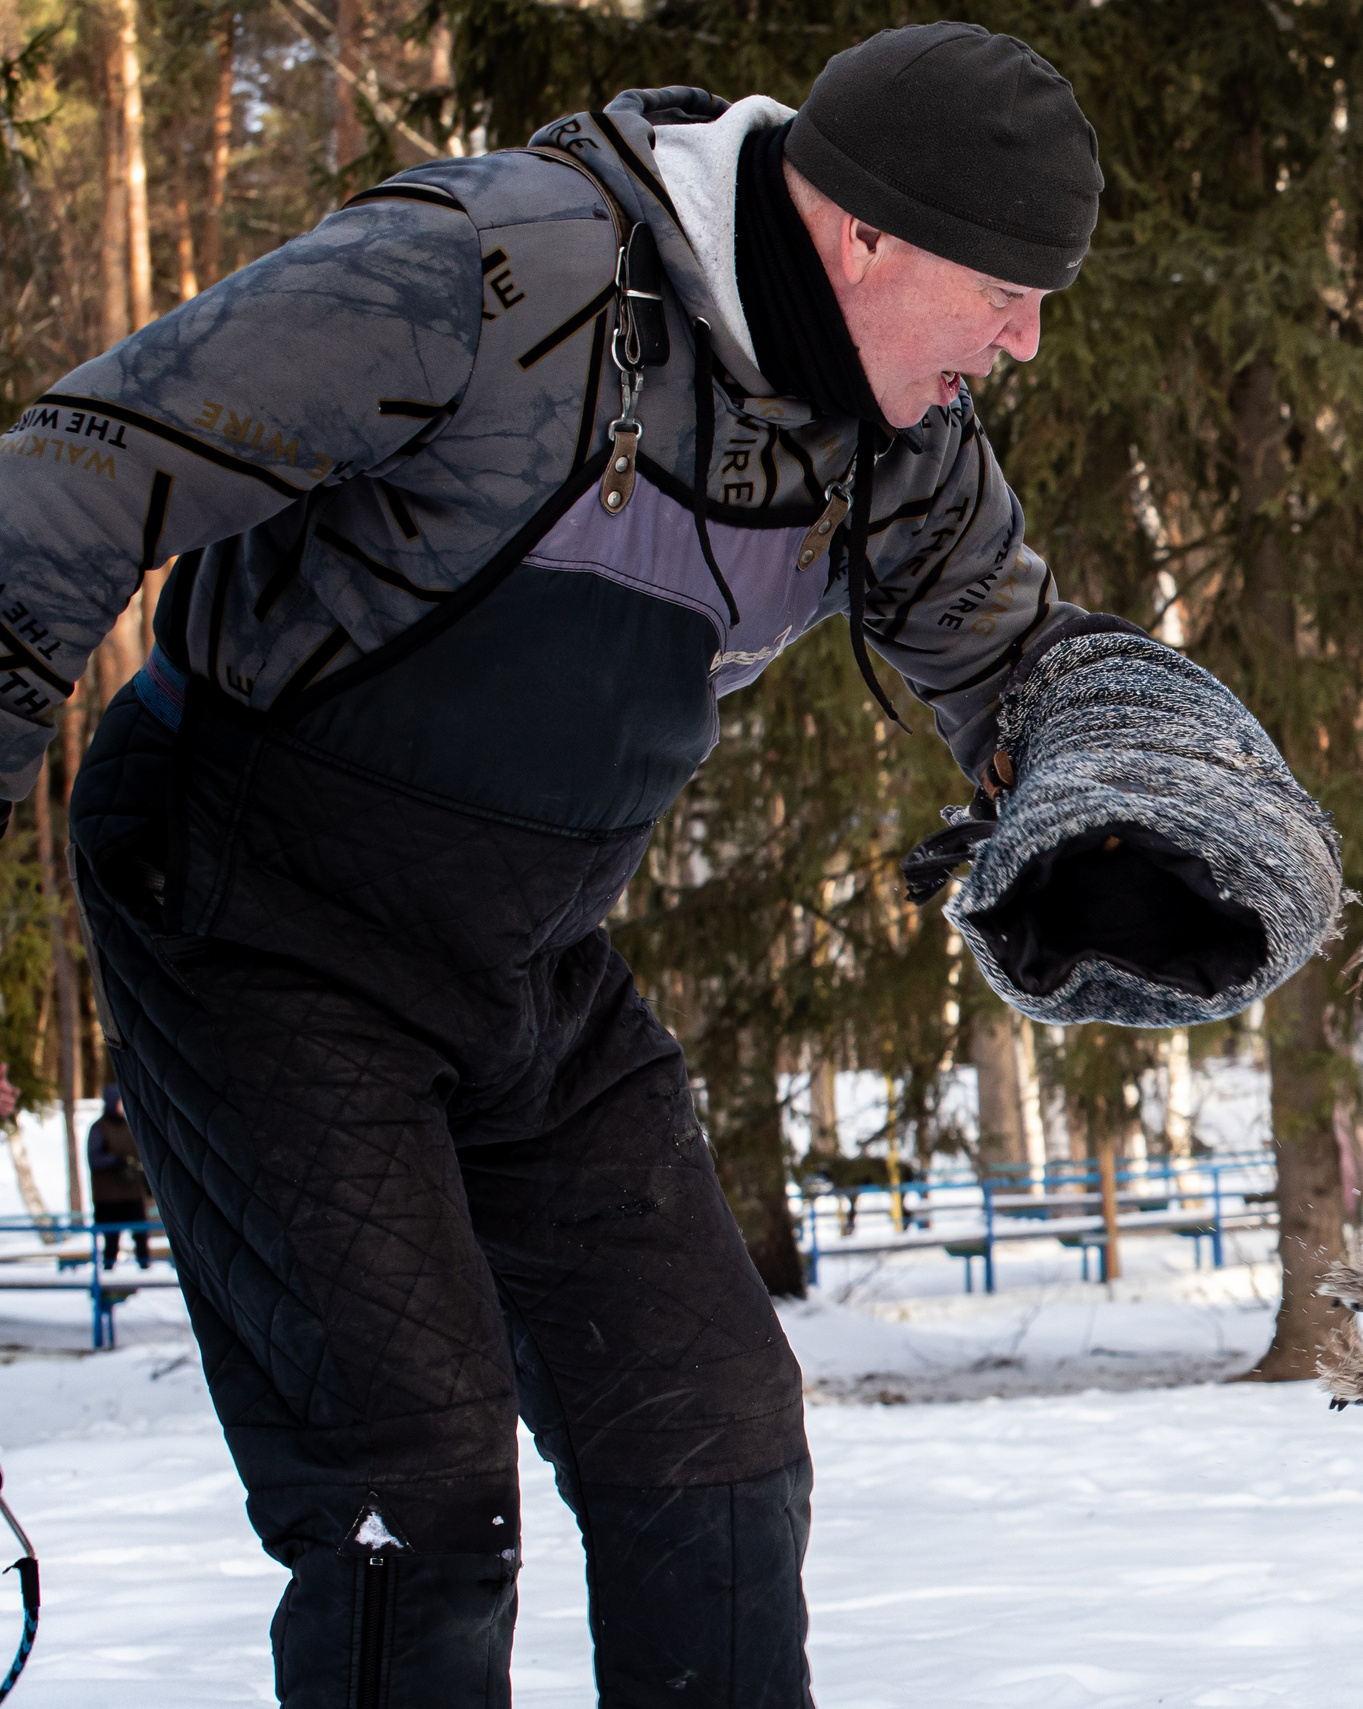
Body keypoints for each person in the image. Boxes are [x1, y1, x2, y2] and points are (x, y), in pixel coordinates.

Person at [0, 23, 1138, 1706]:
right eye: (1003, 289)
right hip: (252, 909)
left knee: (717, 1441)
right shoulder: (489, 270)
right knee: (416, 1488)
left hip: (526, 955)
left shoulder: (889, 430)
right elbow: (84, 470)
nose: (1025, 340)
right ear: (865, 233)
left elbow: (1016, 658)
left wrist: (1136, 790)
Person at [85, 1083, 151, 1269]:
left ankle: (145, 1272)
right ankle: (107, 1277)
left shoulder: (131, 1126)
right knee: (111, 1240)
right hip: (109, 1199)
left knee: (141, 1236)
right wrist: (116, 1161)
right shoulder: (99, 1128)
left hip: (132, 1194)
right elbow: (94, 1158)